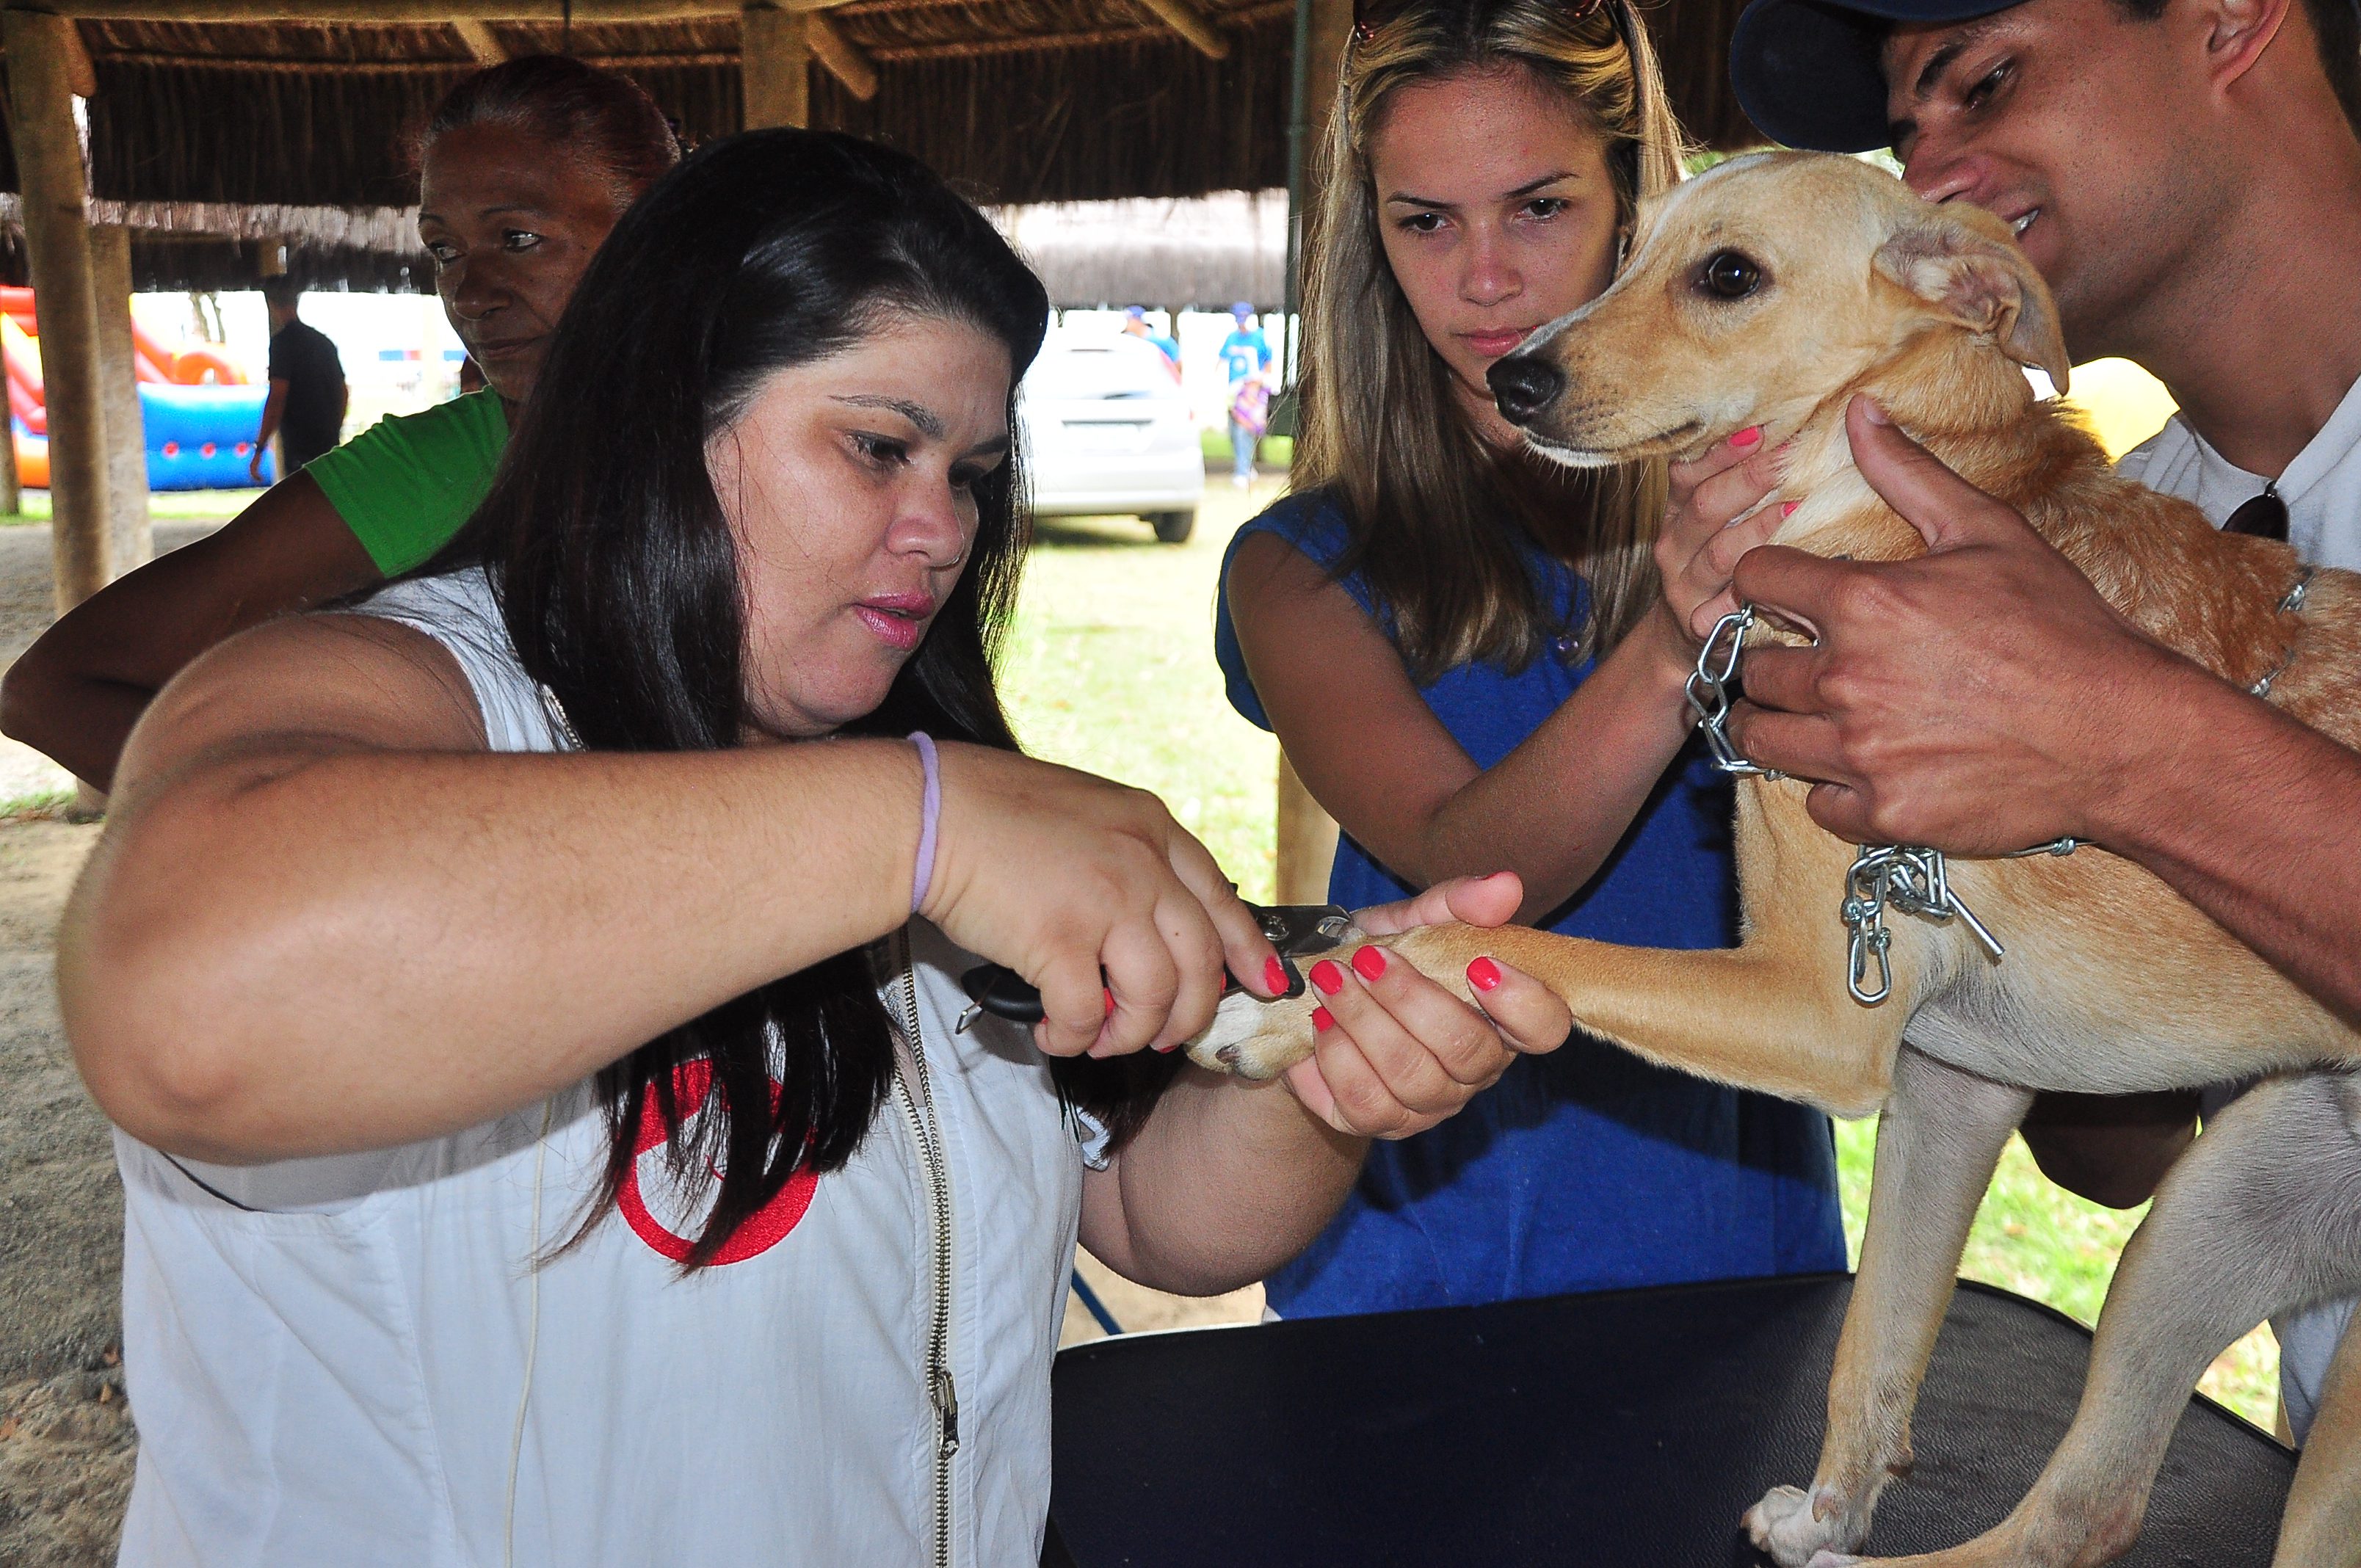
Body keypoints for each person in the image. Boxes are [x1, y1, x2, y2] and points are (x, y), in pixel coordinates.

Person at [62, 129, 1570, 1566]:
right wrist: (917, 824)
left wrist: (1316, 1077)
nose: (942, 529)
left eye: (972, 473)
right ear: (661, 412)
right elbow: (182, 1000)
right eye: (876, 447)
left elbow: (1153, 1215)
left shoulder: (903, 770)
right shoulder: (407, 695)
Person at [1722, 0, 2361, 1440]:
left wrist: (2126, 749)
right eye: (1906, 135)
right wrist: (1957, 887)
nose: (1933, 174)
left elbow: (2134, 756)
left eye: (1988, 83)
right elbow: (2116, 1153)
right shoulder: (2117, 527)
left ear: (2230, 19)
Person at [1213, 0, 1846, 1321]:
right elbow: (1464, 865)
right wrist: (1676, 641)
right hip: (1414, 1289)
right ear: (1370, 239)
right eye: (1425, 220)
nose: (1483, 276)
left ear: (1635, 202)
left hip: (1744, 1286)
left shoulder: (1793, 519)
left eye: (1539, 207)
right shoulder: (1299, 566)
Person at [0, 55, 677, 794]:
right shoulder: (422, 474)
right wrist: (348, 838)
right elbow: (50, 690)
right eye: (444, 250)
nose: (471, 293)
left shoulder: (779, 427)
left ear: (660, 230)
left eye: (518, 239)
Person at [250, 277, 347, 482]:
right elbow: (343, 391)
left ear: (272, 305)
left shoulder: (282, 344)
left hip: (299, 443)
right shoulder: (323, 343)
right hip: (328, 440)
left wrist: (260, 447)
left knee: (301, 500)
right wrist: (334, 428)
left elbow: (277, 396)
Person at [1218, 300, 1272, 487]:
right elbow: (1222, 360)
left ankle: (1242, 472)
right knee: (1233, 432)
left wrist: (1259, 381)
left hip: (1251, 392)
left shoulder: (1260, 337)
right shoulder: (1232, 338)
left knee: (1244, 431)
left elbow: (1268, 363)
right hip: (1234, 391)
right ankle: (1247, 466)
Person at [1123, 303, 1182, 379]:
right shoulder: (1132, 339)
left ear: (1137, 320)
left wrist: (1172, 379)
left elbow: (1176, 359)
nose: (1127, 325)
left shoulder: (1158, 339)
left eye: (1129, 321)